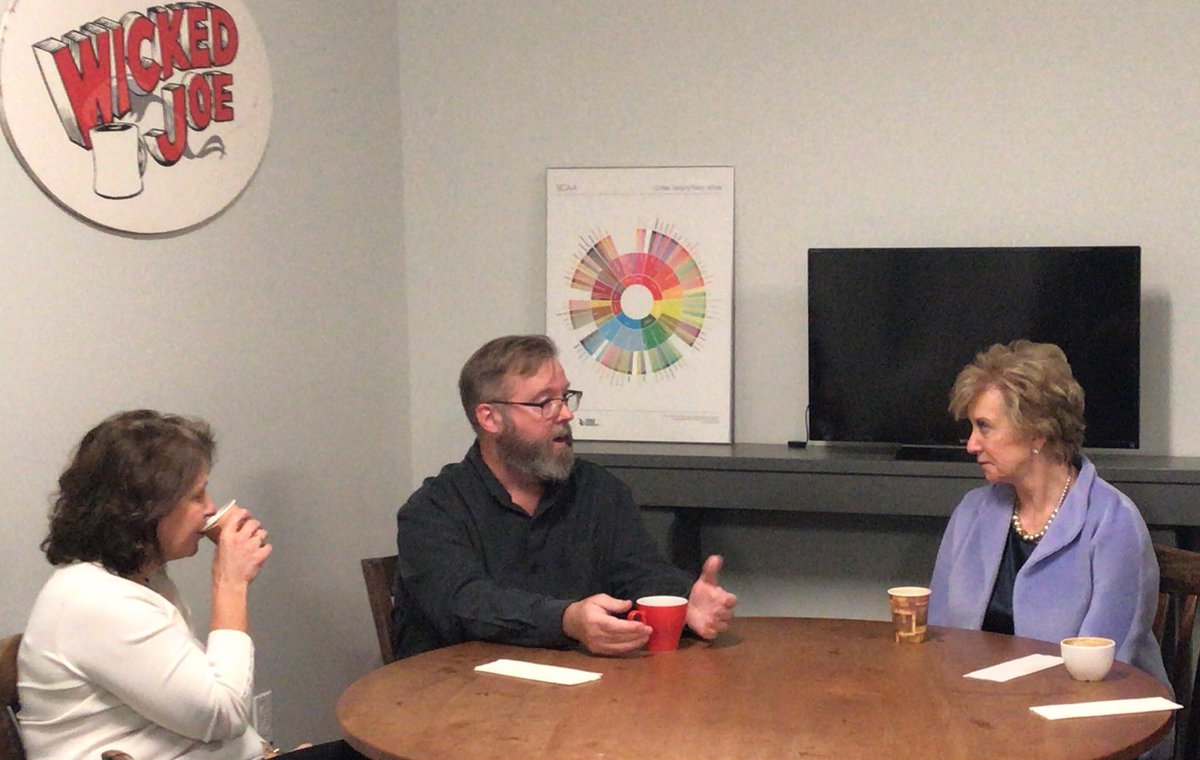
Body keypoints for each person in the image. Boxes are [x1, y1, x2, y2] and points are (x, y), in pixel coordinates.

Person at [17, 411, 359, 760]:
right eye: (197, 496)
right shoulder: (95, 602)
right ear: (146, 509)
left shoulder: (144, 581)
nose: (210, 508)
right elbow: (221, 715)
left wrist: (265, 751)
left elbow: (199, 701)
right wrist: (230, 584)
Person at [392, 334, 738, 659]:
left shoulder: (599, 491)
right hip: (457, 699)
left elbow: (638, 572)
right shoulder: (433, 510)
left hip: (576, 699)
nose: (567, 414)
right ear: (490, 418)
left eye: (566, 397)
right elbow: (465, 604)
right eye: (545, 403)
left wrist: (683, 598)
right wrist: (565, 620)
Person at [928, 341, 1169, 692]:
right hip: (982, 711)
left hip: (1093, 717)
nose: (971, 445)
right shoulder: (971, 512)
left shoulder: (1113, 522)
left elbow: (1103, 669)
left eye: (985, 427)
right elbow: (939, 640)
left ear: (1038, 433)